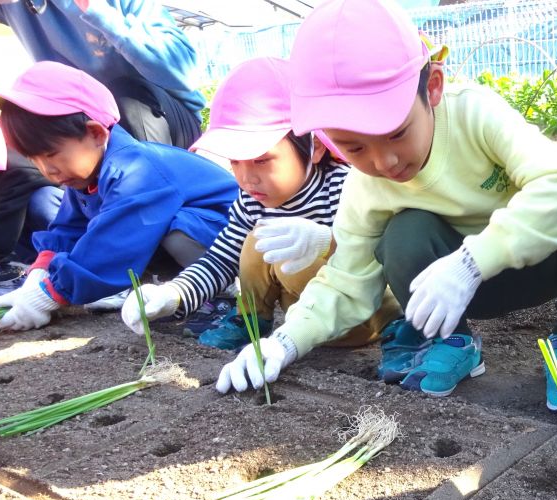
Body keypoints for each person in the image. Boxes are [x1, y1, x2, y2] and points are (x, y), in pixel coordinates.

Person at [215, 0, 557, 407]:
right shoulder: (366, 186)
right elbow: (347, 279)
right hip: (445, 299)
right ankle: (453, 343)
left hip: (540, 262)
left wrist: (471, 262)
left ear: (432, 86)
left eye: (397, 133)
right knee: (403, 231)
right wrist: (284, 343)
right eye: (354, 147)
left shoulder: (476, 114)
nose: (384, 162)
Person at [121, 56, 399, 351]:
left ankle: (398, 335)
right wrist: (173, 294)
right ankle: (251, 320)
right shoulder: (252, 201)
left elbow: (379, 258)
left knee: (277, 241)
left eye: (262, 160)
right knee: (255, 239)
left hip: (364, 317)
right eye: (235, 162)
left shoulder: (343, 187)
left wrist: (327, 241)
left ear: (314, 147)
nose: (247, 178)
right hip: (299, 321)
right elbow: (220, 259)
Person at [0, 60, 238, 331]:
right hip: (202, 238)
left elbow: (114, 244)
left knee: (179, 232)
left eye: (51, 154)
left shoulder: (136, 169)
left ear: (95, 132)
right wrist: (40, 274)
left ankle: (225, 292)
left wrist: (50, 295)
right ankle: (188, 292)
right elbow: (68, 229)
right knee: (156, 234)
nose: (47, 170)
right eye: (34, 159)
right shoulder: (87, 177)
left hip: (232, 243)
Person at [0, 0, 205, 149]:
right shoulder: (12, 5)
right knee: (11, 134)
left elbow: (184, 72)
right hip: (87, 124)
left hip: (164, 119)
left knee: (126, 96)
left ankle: (155, 202)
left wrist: (100, 13)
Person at [0, 102, 63, 283]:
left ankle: (78, 256)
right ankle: (28, 261)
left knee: (42, 200)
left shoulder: (17, 169)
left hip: (48, 217)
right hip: (14, 221)